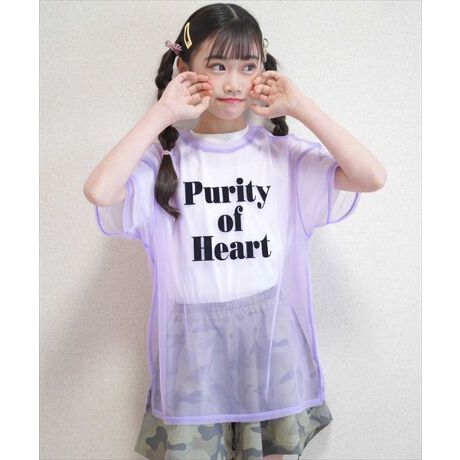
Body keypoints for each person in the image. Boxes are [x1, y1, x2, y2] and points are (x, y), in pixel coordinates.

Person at [83, 3, 387, 459]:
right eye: (217, 65)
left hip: (270, 341)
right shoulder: (166, 161)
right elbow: (99, 190)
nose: (233, 83)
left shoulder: (281, 155)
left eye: (248, 67)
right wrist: (162, 113)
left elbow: (371, 176)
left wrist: (300, 106)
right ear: (185, 71)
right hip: (193, 344)